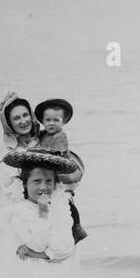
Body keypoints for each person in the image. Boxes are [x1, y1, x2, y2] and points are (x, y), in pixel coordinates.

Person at [0, 148, 83, 278]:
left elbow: (65, 248)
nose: (43, 187)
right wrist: (43, 213)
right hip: (21, 272)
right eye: (36, 181)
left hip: (52, 273)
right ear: (25, 184)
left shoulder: (60, 210)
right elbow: (36, 243)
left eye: (49, 181)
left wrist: (40, 254)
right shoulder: (19, 211)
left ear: (55, 184)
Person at [32, 97, 87, 243]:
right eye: (48, 120)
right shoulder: (43, 134)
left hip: (61, 170)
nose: (51, 123)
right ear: (43, 121)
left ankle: (77, 227)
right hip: (49, 170)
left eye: (56, 120)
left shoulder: (60, 136)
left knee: (67, 198)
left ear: (63, 122)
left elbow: (57, 155)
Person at [0, 92, 42, 199]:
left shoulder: (46, 139)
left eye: (25, 115)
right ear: (9, 124)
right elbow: (11, 193)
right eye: (16, 118)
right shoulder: (8, 156)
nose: (23, 121)